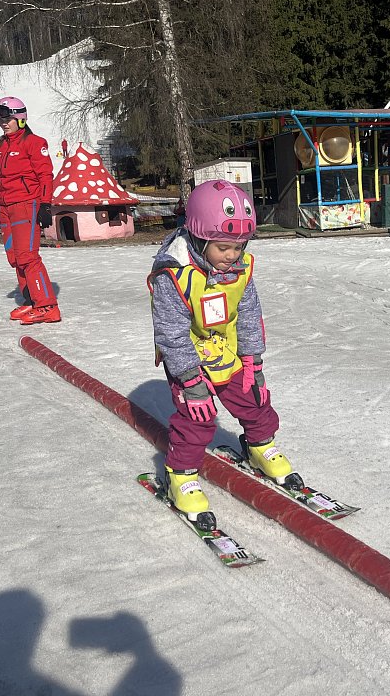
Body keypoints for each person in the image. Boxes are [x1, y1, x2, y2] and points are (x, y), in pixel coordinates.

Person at [147, 178, 300, 530]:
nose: (232, 255)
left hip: (227, 351)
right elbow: (170, 332)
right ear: (199, 239)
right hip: (188, 360)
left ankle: (259, 445)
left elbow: (248, 314)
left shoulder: (240, 269)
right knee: (197, 417)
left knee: (253, 397)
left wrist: (252, 359)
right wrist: (190, 379)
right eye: (223, 247)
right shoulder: (174, 275)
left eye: (239, 246)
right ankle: (180, 475)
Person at [0, 96, 61, 325]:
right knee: (15, 257)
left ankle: (47, 306)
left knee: (28, 256)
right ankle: (32, 301)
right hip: (6, 208)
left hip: (26, 205)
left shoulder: (34, 143)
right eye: (0, 119)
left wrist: (45, 205)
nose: (3, 123)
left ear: (20, 119)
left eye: (7, 119)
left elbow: (45, 175)